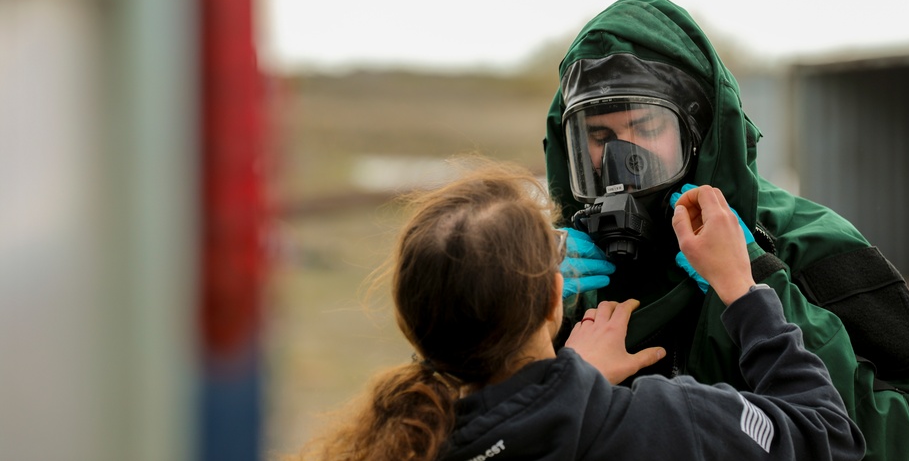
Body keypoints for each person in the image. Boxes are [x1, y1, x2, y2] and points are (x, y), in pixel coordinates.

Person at [543, 0, 909, 461]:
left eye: (648, 129)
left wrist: (757, 283)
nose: (621, 162)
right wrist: (531, 310)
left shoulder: (810, 242)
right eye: (598, 136)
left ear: (701, 134)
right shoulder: (558, 266)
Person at [288, 161, 865, 461]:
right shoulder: (670, 423)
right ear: (549, 304)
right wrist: (742, 286)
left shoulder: (410, 441)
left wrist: (574, 380)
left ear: (416, 322)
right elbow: (829, 438)